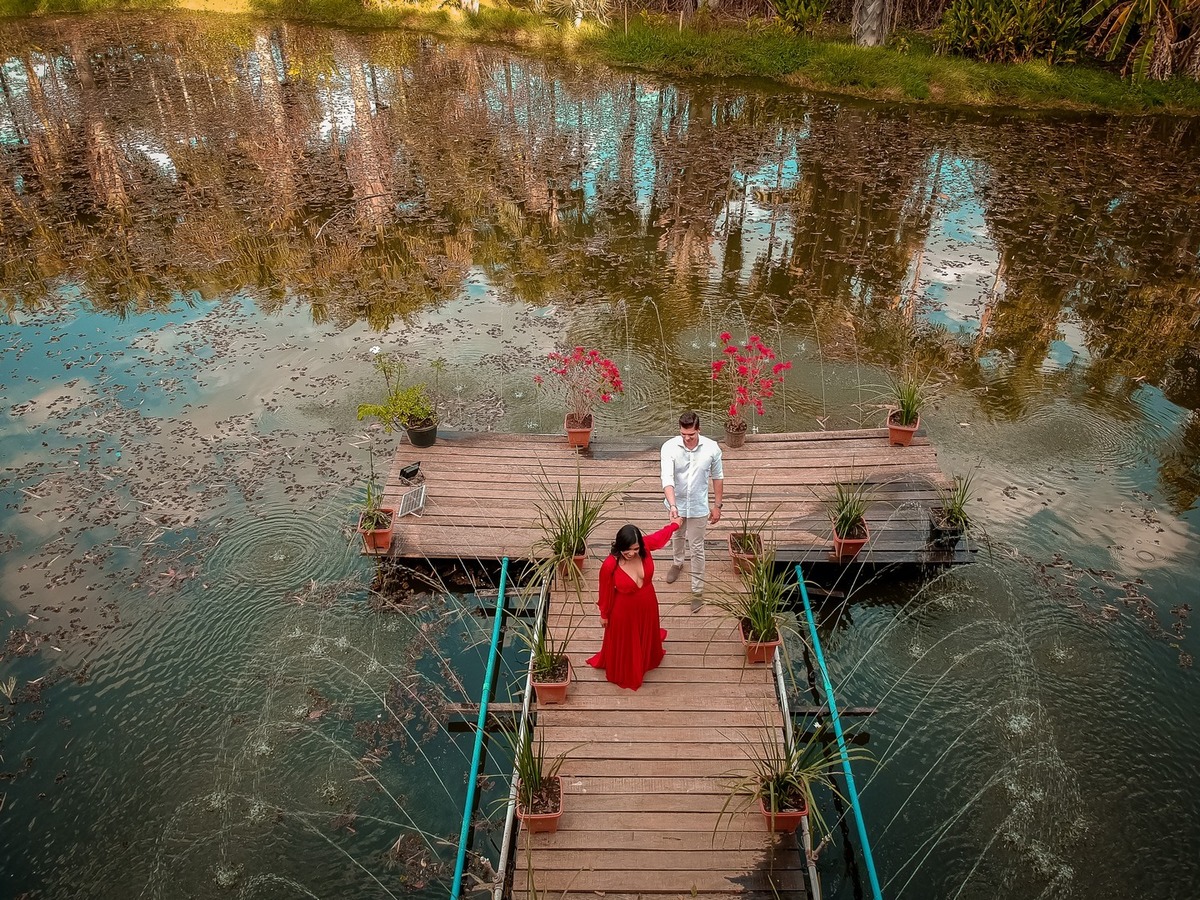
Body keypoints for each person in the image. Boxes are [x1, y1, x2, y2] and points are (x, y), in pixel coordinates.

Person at [586, 516, 680, 691]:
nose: (631, 553)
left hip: (648, 605)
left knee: (645, 634)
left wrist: (675, 524)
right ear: (619, 547)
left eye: (635, 549)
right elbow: (604, 592)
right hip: (624, 612)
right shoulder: (609, 565)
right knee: (627, 643)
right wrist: (604, 615)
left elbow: (660, 536)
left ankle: (646, 659)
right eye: (626, 550)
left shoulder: (644, 546)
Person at [660, 410, 724, 610]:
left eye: (691, 435)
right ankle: (677, 563)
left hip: (698, 506)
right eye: (683, 435)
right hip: (676, 504)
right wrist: (672, 506)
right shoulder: (669, 447)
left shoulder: (712, 448)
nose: (687, 439)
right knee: (677, 536)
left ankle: (697, 590)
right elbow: (667, 478)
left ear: (699, 430)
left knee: (697, 548)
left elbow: (718, 477)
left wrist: (717, 506)